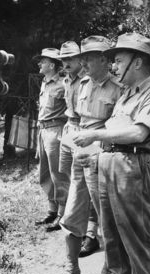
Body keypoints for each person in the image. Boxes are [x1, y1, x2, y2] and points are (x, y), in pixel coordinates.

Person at [73, 32, 150, 274]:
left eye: (118, 60)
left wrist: (96, 135)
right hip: (111, 163)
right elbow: (115, 132)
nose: (113, 66)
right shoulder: (127, 93)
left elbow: (138, 132)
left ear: (137, 62)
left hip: (134, 166)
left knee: (136, 233)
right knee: (112, 233)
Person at [47, 35, 122, 274]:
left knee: (107, 218)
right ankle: (71, 270)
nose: (83, 62)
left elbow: (119, 130)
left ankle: (109, 271)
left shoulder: (118, 88)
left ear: (103, 59)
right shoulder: (82, 85)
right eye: (83, 58)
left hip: (103, 160)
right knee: (71, 214)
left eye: (88, 58)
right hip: (81, 157)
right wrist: (73, 142)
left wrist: (95, 146)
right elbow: (76, 118)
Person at [46, 41, 100, 255]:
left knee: (89, 183)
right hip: (70, 130)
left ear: (81, 60)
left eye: (69, 59)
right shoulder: (67, 79)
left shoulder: (87, 80)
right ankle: (73, 223)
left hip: (84, 132)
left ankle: (92, 232)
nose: (65, 63)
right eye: (63, 60)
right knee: (69, 178)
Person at [34, 48, 68, 229]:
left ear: (52, 65)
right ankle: (51, 211)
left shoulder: (63, 85)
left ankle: (62, 215)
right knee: (45, 173)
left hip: (56, 131)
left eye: (43, 61)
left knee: (58, 174)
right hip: (43, 130)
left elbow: (72, 110)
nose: (39, 64)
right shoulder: (44, 83)